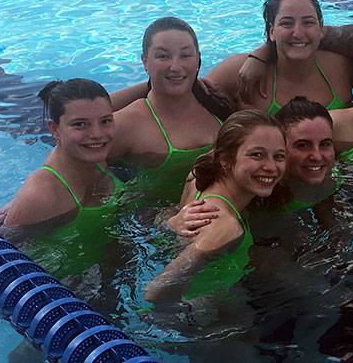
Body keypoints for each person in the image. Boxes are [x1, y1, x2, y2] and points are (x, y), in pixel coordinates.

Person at [143, 110, 286, 303]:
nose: (271, 167)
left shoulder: (198, 176)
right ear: (225, 159)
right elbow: (155, 291)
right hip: (207, 313)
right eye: (257, 155)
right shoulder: (225, 226)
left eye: (279, 156)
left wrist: (170, 223)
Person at [0, 79, 121, 280]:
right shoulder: (42, 194)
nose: (97, 134)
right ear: (54, 129)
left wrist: (148, 86)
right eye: (80, 124)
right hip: (67, 290)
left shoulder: (94, 156)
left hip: (106, 267)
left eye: (105, 121)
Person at [169, 96, 339, 235]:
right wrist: (173, 222)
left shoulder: (335, 181)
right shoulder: (241, 187)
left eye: (325, 144)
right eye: (302, 145)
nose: (317, 156)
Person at [108, 17, 230, 204]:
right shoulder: (129, 123)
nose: (175, 67)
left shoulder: (218, 102)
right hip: (157, 226)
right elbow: (77, 159)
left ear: (198, 59)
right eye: (163, 56)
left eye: (185, 55)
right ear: (145, 62)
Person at [206, 0, 353, 114]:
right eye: (286, 23)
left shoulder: (342, 66)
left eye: (308, 22)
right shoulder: (240, 69)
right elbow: (191, 94)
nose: (298, 33)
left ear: (321, 29)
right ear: (272, 32)